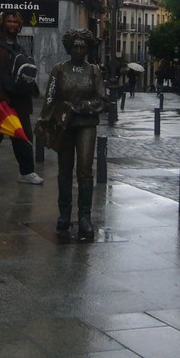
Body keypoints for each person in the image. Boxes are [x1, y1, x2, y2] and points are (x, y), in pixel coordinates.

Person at [37, 29, 108, 241]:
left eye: (82, 46)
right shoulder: (59, 70)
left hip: (86, 124)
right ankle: (64, 214)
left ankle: (84, 216)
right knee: (64, 170)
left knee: (85, 171)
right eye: (75, 46)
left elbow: (102, 100)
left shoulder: (94, 71)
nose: (78, 50)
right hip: (64, 125)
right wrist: (47, 120)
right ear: (69, 48)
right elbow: (50, 98)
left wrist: (84, 106)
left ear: (87, 48)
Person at [0, 11, 43, 184]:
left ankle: (27, 172)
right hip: (1, 97)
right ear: (3, 23)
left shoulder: (19, 47)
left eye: (15, 21)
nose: (12, 24)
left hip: (20, 99)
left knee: (24, 134)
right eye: (9, 21)